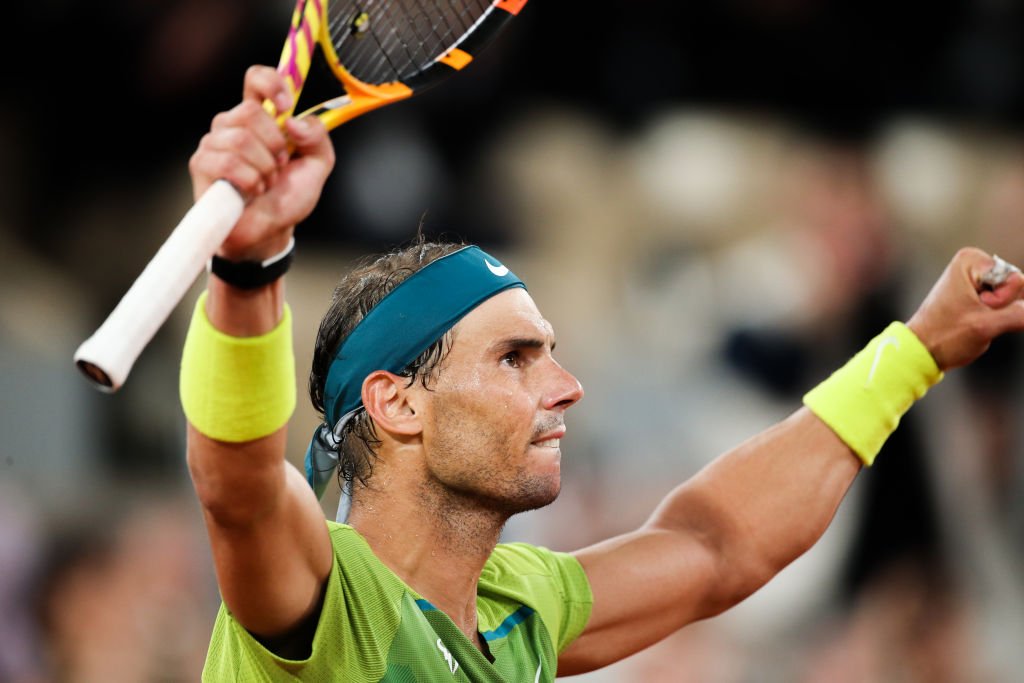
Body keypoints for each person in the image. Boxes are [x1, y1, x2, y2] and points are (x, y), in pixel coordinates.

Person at [181, 65, 1024, 681]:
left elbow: (720, 543)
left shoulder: (522, 610)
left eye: (549, 352)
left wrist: (916, 351)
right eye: (516, 358)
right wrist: (250, 262)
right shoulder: (330, 595)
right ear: (395, 401)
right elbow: (238, 481)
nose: (567, 386)